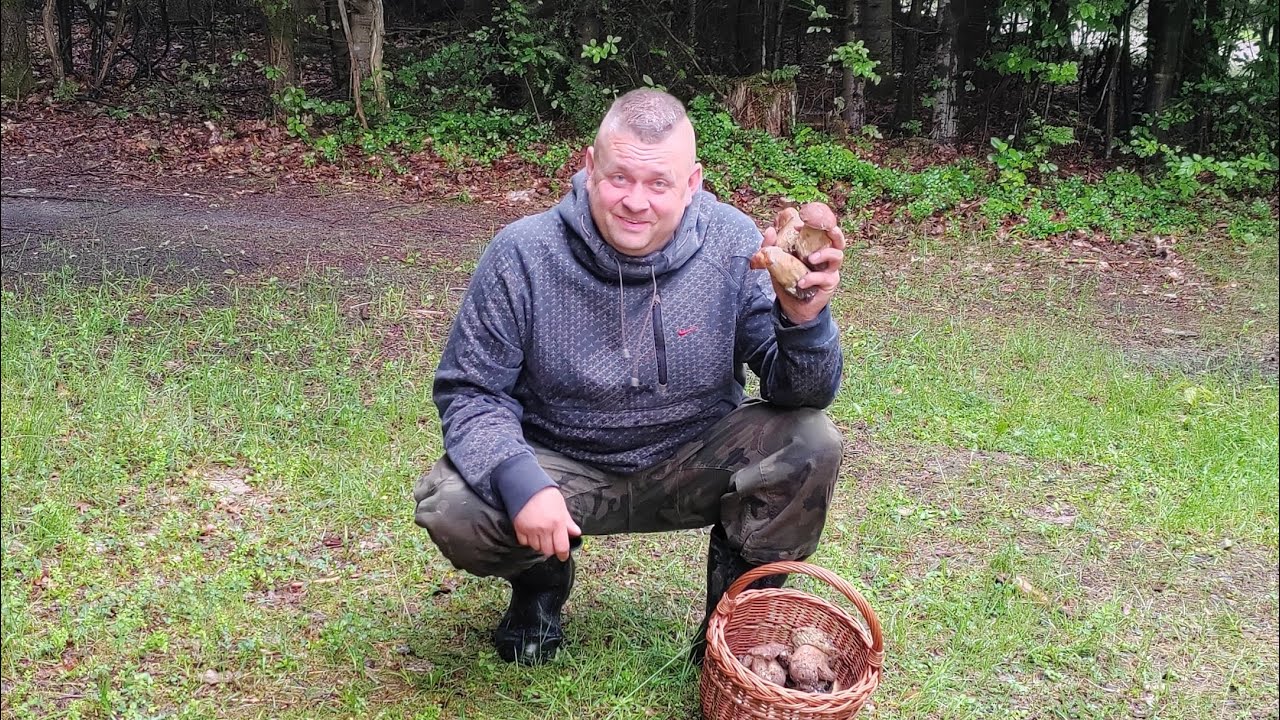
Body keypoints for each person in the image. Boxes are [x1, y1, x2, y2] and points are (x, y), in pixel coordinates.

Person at [413, 88, 846, 666]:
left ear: (692, 183)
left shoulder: (733, 243)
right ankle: (540, 589)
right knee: (457, 507)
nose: (635, 202)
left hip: (692, 461)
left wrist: (804, 320)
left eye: (659, 183)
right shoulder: (522, 254)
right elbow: (470, 391)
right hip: (563, 468)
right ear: (590, 167)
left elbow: (800, 395)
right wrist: (523, 484)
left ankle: (734, 627)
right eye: (619, 178)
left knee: (811, 440)